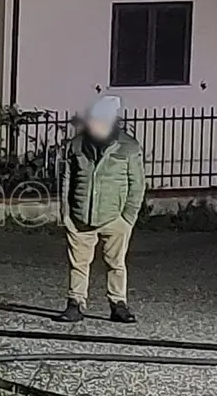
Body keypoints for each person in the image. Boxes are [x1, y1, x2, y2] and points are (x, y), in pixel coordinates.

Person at [55, 96, 144, 324]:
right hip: (80, 216)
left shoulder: (129, 147)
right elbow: (66, 179)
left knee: (116, 262)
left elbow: (137, 184)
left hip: (115, 217)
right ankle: (75, 303)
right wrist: (66, 213)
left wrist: (128, 218)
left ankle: (118, 304)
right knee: (78, 263)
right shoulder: (76, 145)